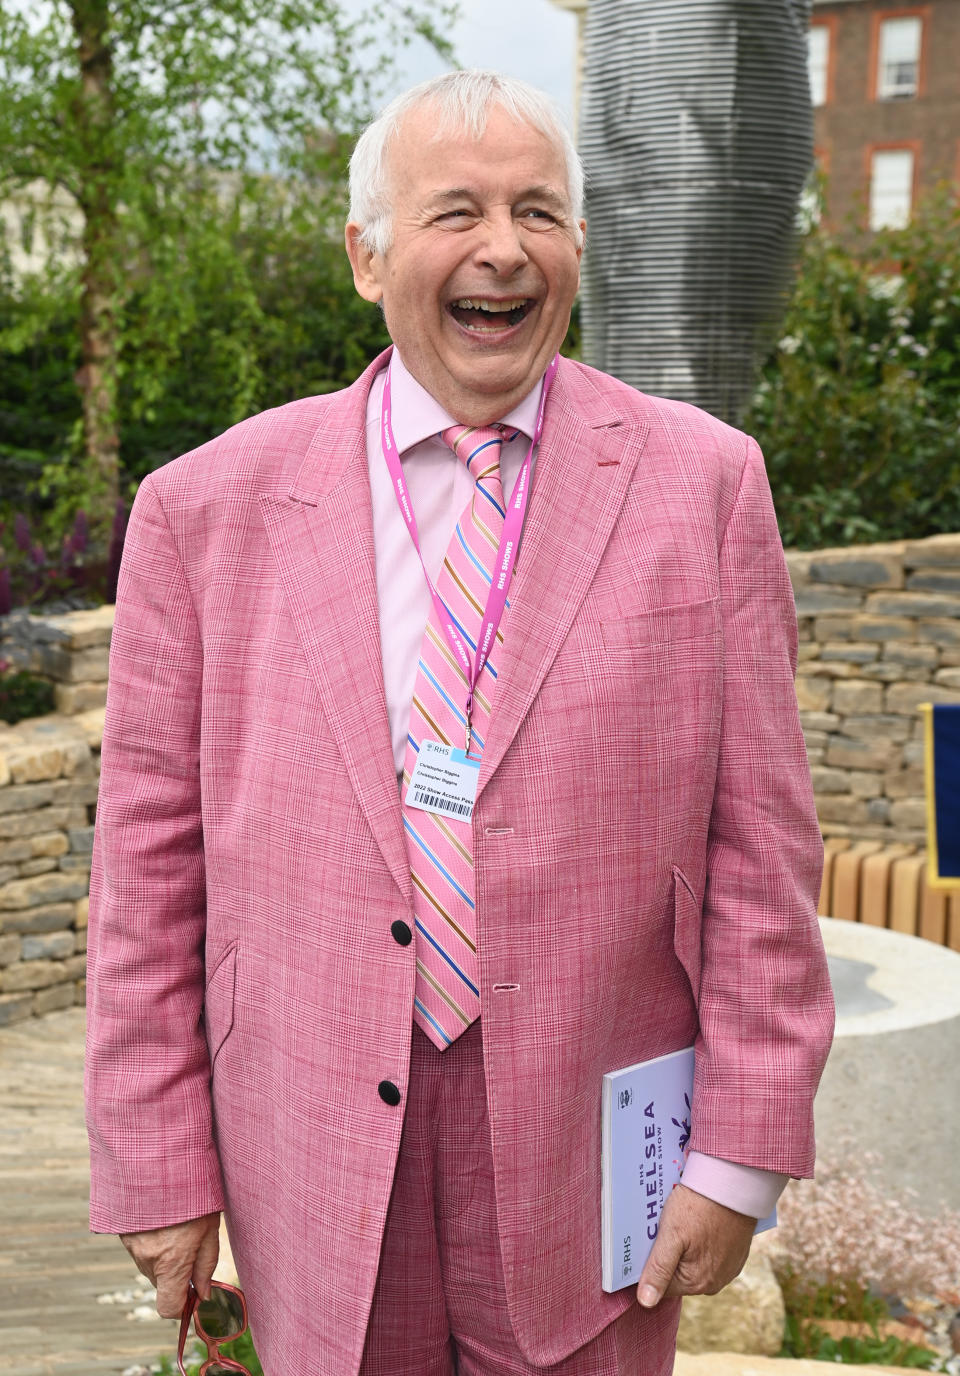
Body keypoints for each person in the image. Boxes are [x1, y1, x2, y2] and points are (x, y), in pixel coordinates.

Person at [85, 69, 834, 1376]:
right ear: (367, 255)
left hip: (588, 1156)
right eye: (457, 212)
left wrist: (740, 1153)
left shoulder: (707, 488)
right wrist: (157, 1161)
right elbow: (147, 869)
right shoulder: (203, 512)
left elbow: (759, 847)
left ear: (580, 252)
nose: (504, 248)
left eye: (539, 211)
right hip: (310, 1150)